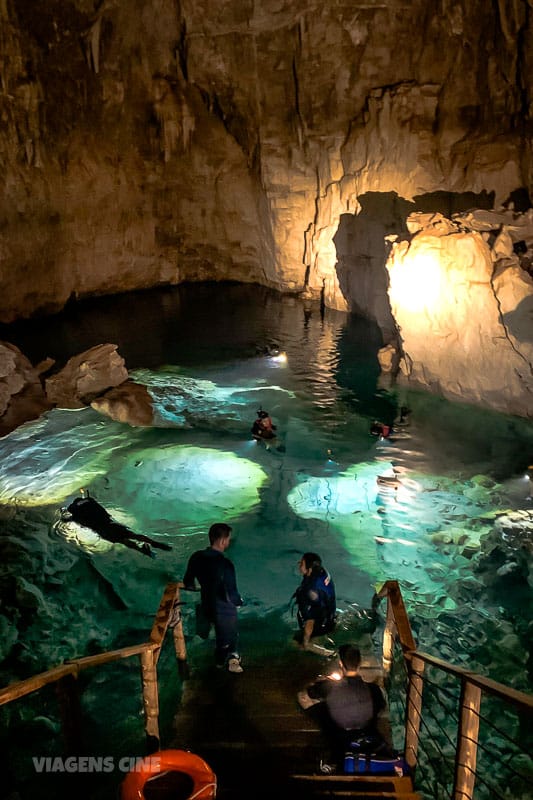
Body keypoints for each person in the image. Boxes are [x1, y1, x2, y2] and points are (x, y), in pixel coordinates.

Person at [297, 644, 387, 766]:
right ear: (359, 663)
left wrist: (321, 684)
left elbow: (303, 695)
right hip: (366, 730)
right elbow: (381, 705)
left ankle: (327, 730)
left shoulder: (329, 686)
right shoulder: (374, 689)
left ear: (340, 663)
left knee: (310, 700)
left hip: (339, 734)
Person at [182, 522, 244, 673]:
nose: (228, 542)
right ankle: (229, 660)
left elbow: (188, 582)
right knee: (230, 636)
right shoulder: (225, 564)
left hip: (207, 605)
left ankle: (218, 662)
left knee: (217, 632)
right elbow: (231, 593)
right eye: (228, 539)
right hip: (223, 608)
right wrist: (239, 602)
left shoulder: (196, 557)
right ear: (223, 541)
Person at [64, 489, 172, 558]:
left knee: (123, 541)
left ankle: (142, 550)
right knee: (132, 535)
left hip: (102, 530)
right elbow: (92, 503)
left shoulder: (75, 511)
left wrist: (68, 518)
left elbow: (71, 518)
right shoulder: (90, 501)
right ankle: (153, 542)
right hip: (110, 523)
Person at [292, 552, 336, 653]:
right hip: (329, 616)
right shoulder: (323, 572)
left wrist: (305, 642)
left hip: (320, 625)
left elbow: (310, 620)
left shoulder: (310, 591)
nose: (299, 564)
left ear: (310, 569)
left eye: (302, 563)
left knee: (292, 641)